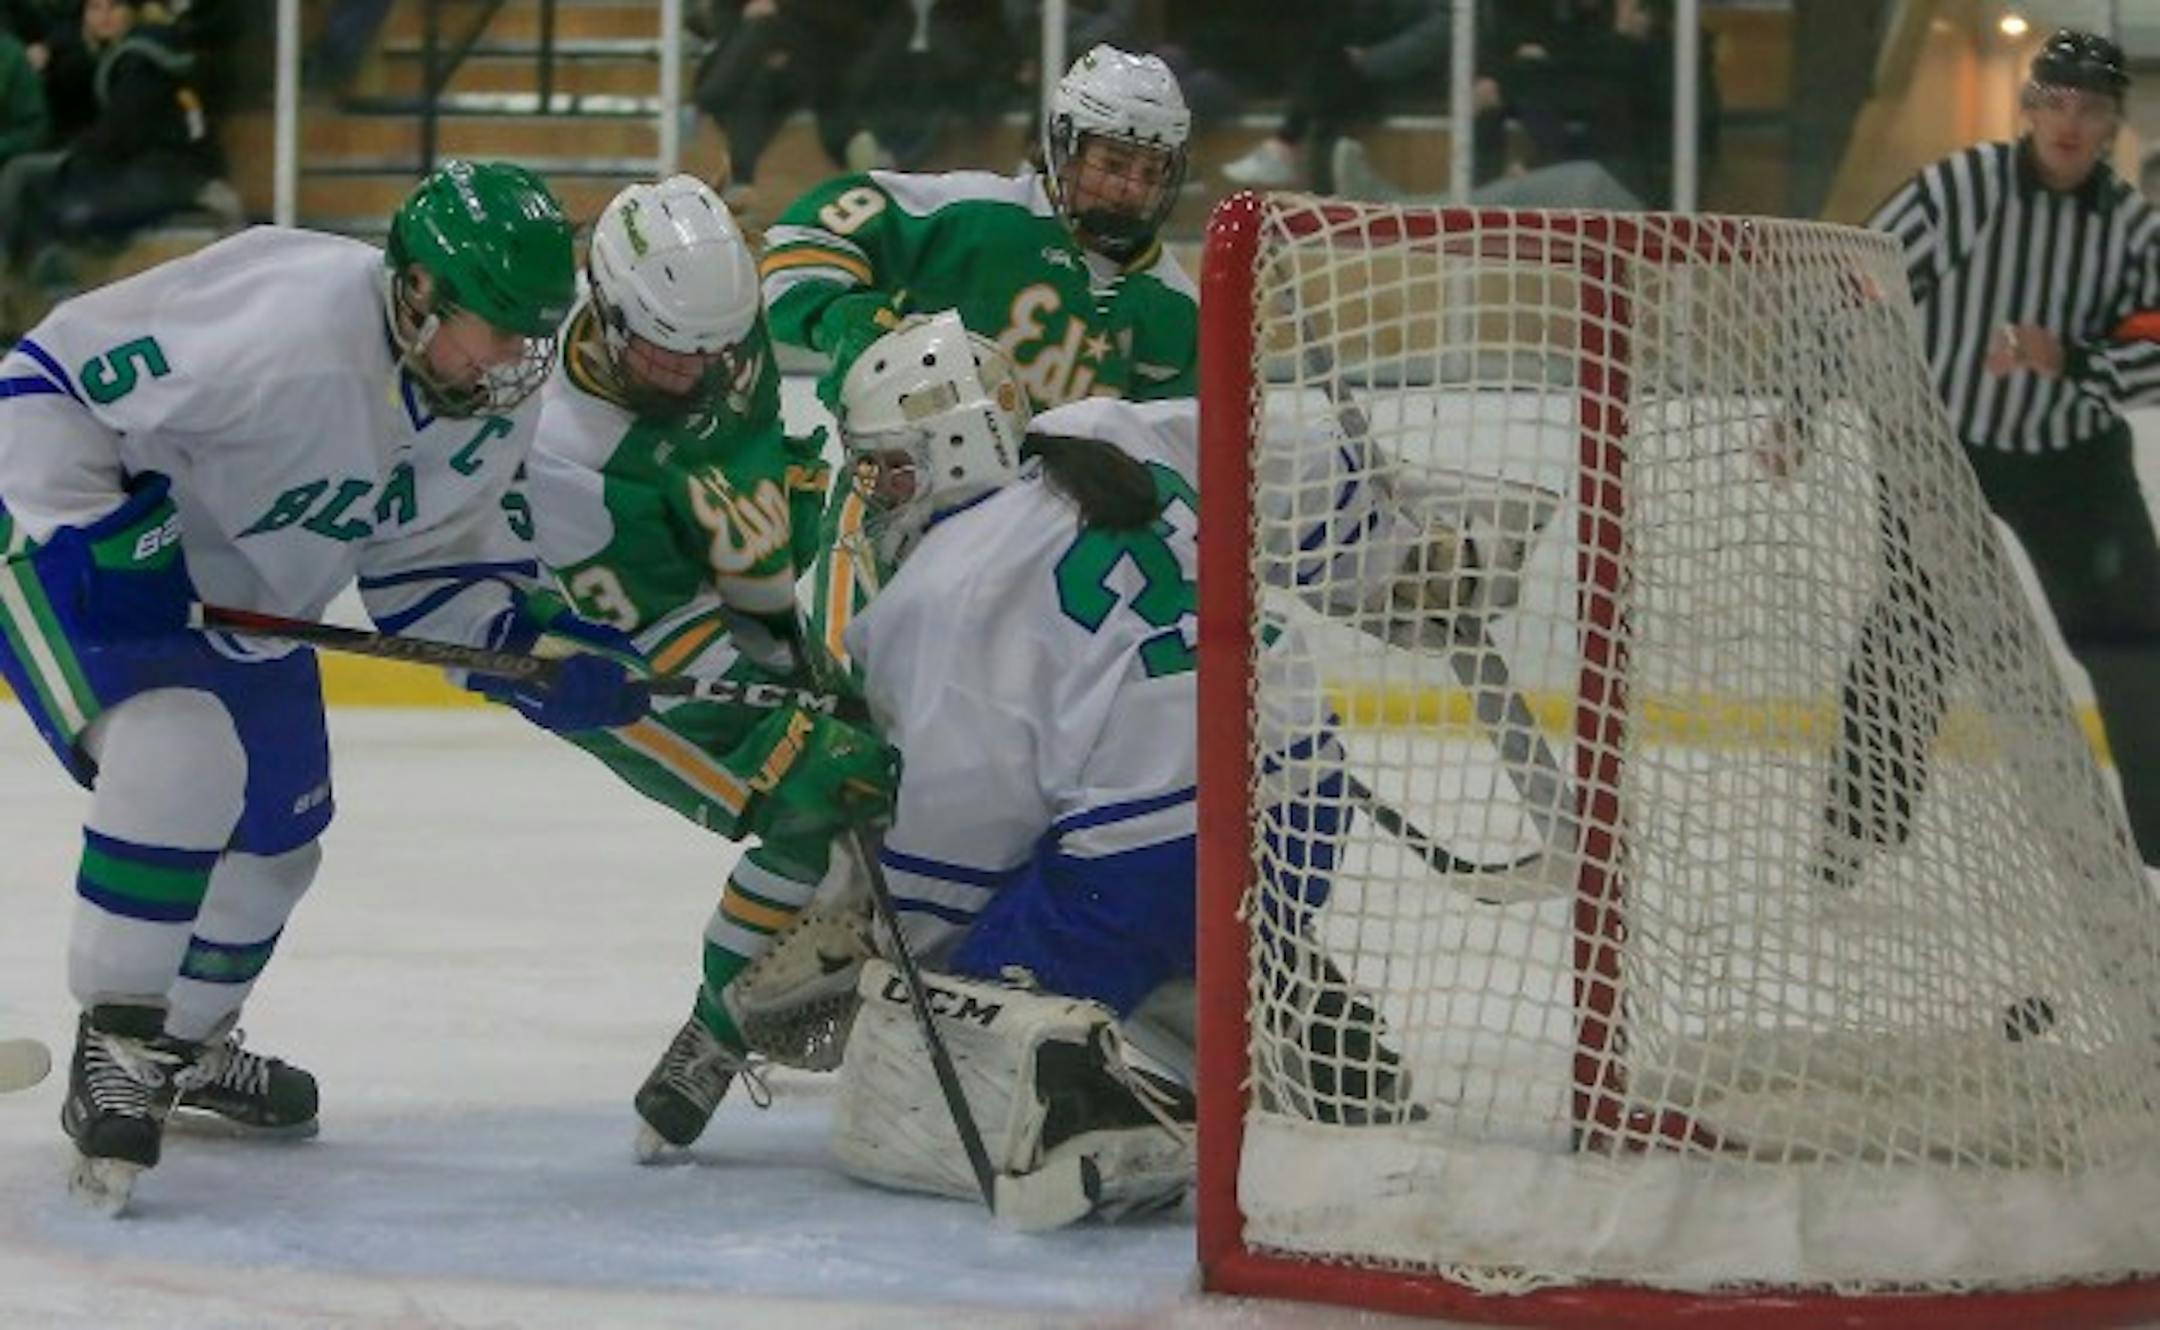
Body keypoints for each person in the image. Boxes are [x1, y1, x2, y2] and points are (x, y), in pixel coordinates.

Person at [0, 159, 652, 1213]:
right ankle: (116, 1045)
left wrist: (530, 652)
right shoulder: (280, 320)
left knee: (280, 845)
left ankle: (185, 1045)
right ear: (417, 293)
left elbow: (428, 565)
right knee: (180, 756)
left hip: (246, 606)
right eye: (494, 328)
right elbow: (44, 379)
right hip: (70, 555)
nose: (514, 361)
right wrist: (91, 532)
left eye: (531, 333)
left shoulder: (483, 398)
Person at [803, 314, 1465, 1223]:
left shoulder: (938, 593)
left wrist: (893, 956)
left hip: (1152, 870)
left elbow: (963, 832)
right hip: (1307, 799)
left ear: (949, 444)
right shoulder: (1112, 428)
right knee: (1100, 852)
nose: (877, 494)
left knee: (939, 1036)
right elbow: (1301, 462)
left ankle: (1133, 1123)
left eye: (887, 467)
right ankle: (1275, 992)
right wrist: (1396, 556)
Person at [518, 174, 899, 1159]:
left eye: (715, 350)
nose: (695, 371)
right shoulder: (570, 459)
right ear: (602, 311)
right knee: (815, 791)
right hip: (610, 656)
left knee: (890, 740)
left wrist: (793, 590)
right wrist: (792, 696)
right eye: (663, 351)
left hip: (719, 566)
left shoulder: (712, 330)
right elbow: (674, 637)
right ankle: (714, 1035)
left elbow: (756, 443)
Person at [1826, 29, 2160, 878]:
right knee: (1911, 633)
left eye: (2089, 108)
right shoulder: (1957, 192)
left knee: (2136, 643)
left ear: (2114, 121)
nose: (2070, 122)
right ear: (2028, 106)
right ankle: (1854, 834)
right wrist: (1802, 402)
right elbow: (1853, 281)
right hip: (1946, 451)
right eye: (2054, 101)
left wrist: (2072, 358)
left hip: (2072, 460)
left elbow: (2156, 352)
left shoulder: (2130, 230)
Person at [758, 42, 1197, 416]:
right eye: (1114, 164)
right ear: (1067, 150)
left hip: (1074, 514)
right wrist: (843, 319)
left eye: (1152, 171)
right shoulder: (978, 217)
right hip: (912, 497)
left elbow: (1175, 462)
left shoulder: (1178, 308)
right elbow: (805, 236)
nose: (1131, 188)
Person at [1217, 0, 1450, 193]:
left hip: (1425, 76)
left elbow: (1437, 34)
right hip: (1367, 66)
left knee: (1332, 74)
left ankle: (1283, 145)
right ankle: (1286, 149)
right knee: (1330, 69)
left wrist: (1370, 58)